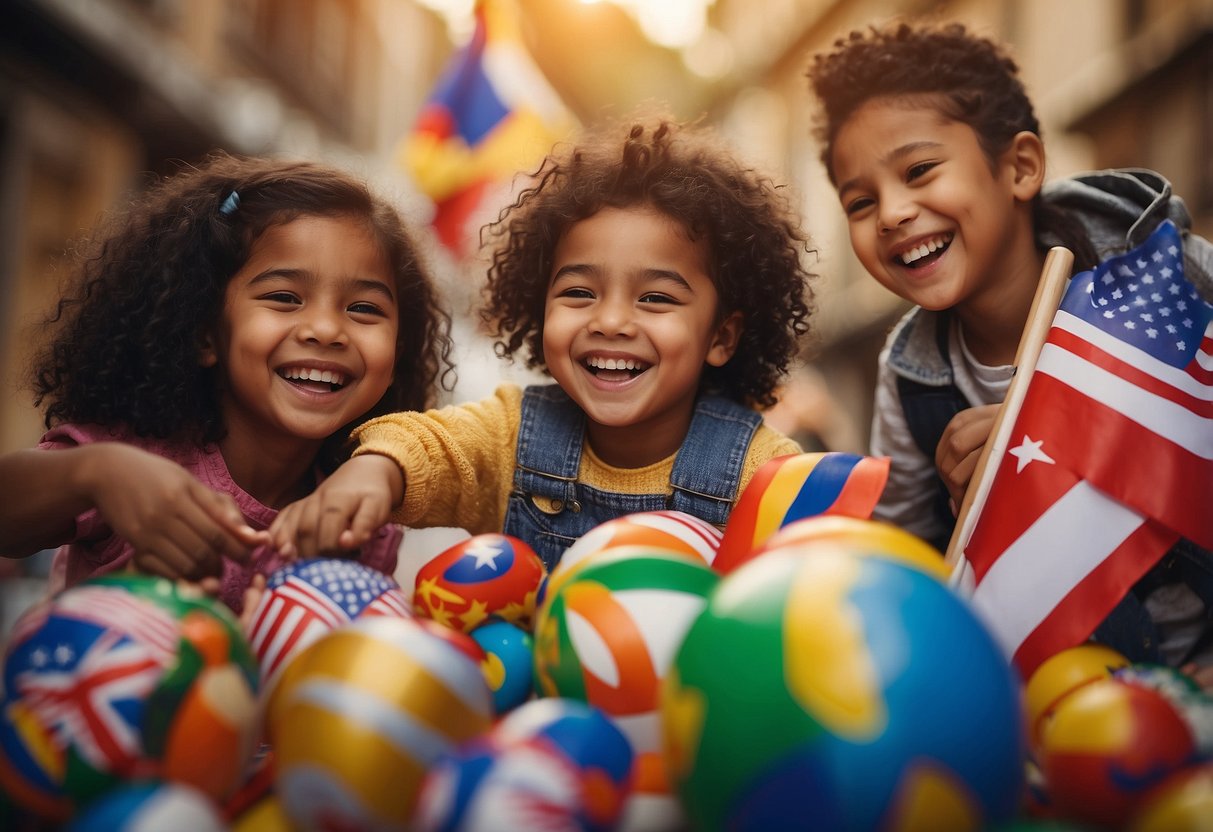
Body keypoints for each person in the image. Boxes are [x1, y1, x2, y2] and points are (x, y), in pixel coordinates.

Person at [806, 21, 1213, 682]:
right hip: (1055, 712)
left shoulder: (1172, 280)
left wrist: (1065, 437)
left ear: (1019, 167)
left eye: (919, 171)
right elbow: (910, 570)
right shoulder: (910, 380)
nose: (891, 213)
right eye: (860, 201)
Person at [269, 118, 815, 570]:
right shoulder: (513, 434)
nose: (612, 321)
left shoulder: (761, 471)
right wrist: (375, 472)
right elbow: (432, 444)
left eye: (655, 299)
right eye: (580, 292)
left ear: (720, 337)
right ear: (539, 306)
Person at [0, 153, 453, 613]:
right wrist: (92, 475)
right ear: (204, 332)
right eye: (284, 297)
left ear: (398, 352)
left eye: (364, 309)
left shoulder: (360, 515)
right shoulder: (134, 461)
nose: (326, 329)